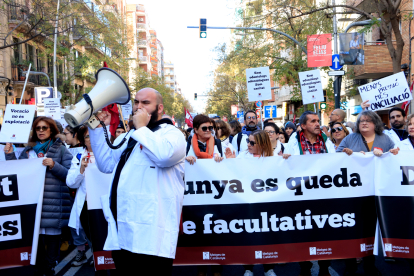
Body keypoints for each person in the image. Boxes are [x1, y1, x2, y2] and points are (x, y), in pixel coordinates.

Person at [89, 87, 186, 274]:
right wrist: (95, 126)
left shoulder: (172, 134)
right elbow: (106, 163)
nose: (138, 107)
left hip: (152, 232)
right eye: (136, 102)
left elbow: (164, 156)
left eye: (145, 103)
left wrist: (141, 127)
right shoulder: (128, 136)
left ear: (160, 108)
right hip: (123, 228)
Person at [4, 117, 73, 276]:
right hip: (32, 203)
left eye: (44, 128)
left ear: (51, 130)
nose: (41, 131)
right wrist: (10, 155)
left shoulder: (61, 149)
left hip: (52, 203)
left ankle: (49, 268)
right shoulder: (27, 151)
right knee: (35, 241)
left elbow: (71, 176)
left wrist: (54, 165)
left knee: (51, 237)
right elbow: (17, 172)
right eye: (38, 128)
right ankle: (41, 268)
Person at [337, 110, 399, 276]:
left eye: (368, 121)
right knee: (351, 229)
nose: (364, 123)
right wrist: (347, 155)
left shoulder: (385, 139)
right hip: (353, 193)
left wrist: (393, 154)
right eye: (361, 121)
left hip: (374, 192)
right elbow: (336, 158)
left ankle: (369, 265)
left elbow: (395, 158)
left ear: (375, 124)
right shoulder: (350, 138)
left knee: (370, 230)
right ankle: (350, 266)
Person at [282, 111, 334, 276]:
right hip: (302, 196)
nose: (318, 124)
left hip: (323, 195)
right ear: (303, 126)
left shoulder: (326, 141)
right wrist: (284, 158)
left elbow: (335, 162)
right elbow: (286, 166)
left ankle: (324, 268)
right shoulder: (294, 141)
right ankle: (305, 267)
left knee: (325, 232)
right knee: (303, 233)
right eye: (313, 121)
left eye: (318, 121)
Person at [185, 115, 226, 276]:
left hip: (215, 194)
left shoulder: (217, 143)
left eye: (211, 128)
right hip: (197, 196)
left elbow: (225, 168)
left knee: (217, 232)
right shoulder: (188, 144)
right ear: (195, 130)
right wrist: (186, 159)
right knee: (200, 232)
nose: (209, 131)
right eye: (205, 128)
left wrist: (221, 159)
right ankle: (201, 269)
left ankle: (217, 269)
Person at [66, 125, 94, 267]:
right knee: (90, 232)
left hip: (104, 203)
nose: (92, 138)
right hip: (86, 203)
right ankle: (97, 257)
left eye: (95, 134)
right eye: (88, 136)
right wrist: (81, 169)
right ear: (83, 140)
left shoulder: (109, 154)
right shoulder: (79, 156)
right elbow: (71, 182)